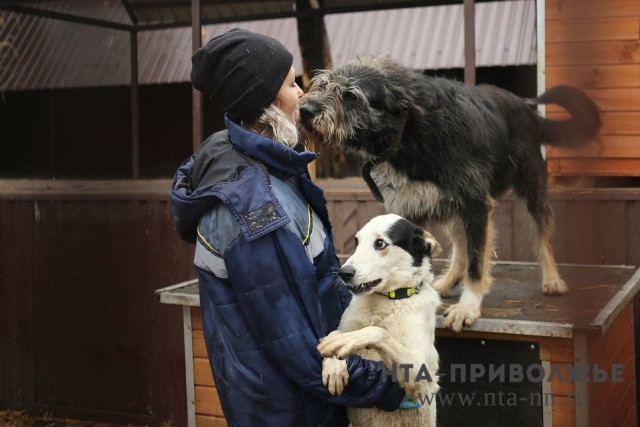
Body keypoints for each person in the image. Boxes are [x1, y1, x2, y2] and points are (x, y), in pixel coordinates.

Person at [169, 28, 407, 426]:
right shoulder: (257, 211)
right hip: (290, 411)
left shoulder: (266, 168)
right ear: (264, 103)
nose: (303, 94)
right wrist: (395, 385)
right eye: (292, 83)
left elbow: (318, 284)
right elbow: (298, 349)